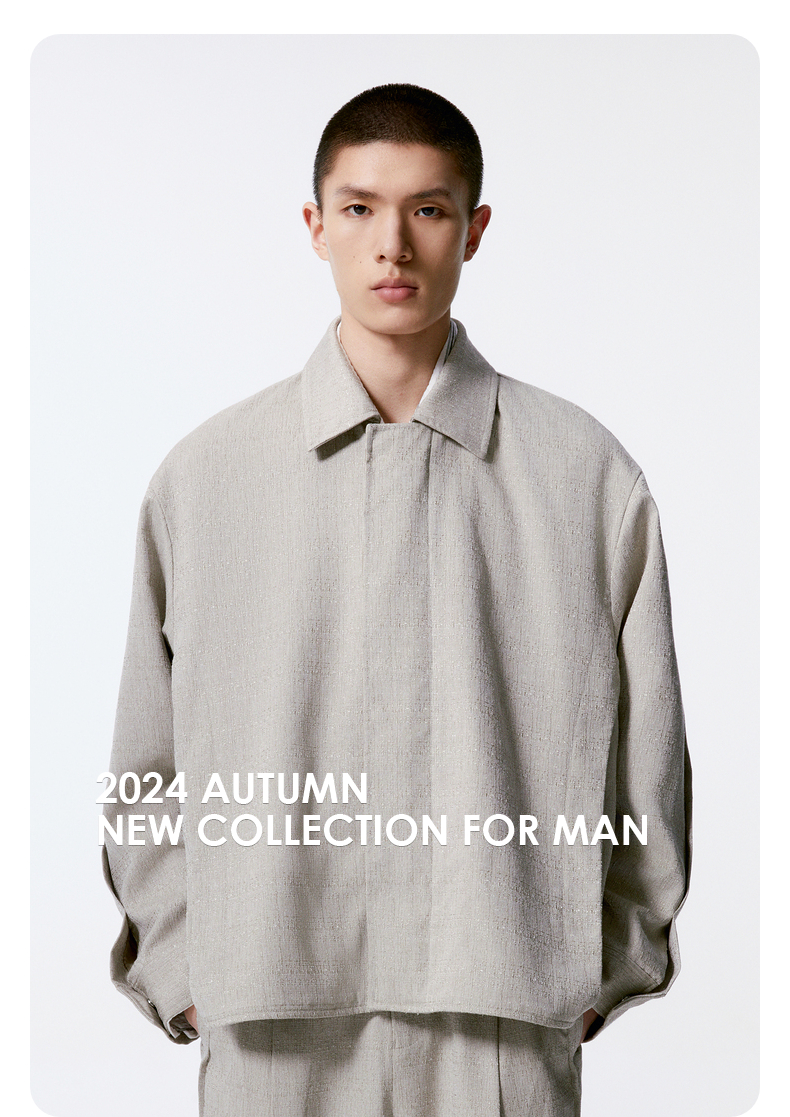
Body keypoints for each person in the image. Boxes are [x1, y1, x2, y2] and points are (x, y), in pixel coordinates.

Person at [102, 83, 691, 1117]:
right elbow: (145, 760)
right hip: (269, 1018)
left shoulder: (586, 476)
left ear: (474, 228)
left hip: (501, 1018)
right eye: (360, 207)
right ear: (315, 225)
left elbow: (651, 758)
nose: (392, 245)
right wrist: (187, 970)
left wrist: (601, 965)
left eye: (427, 208)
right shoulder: (206, 477)